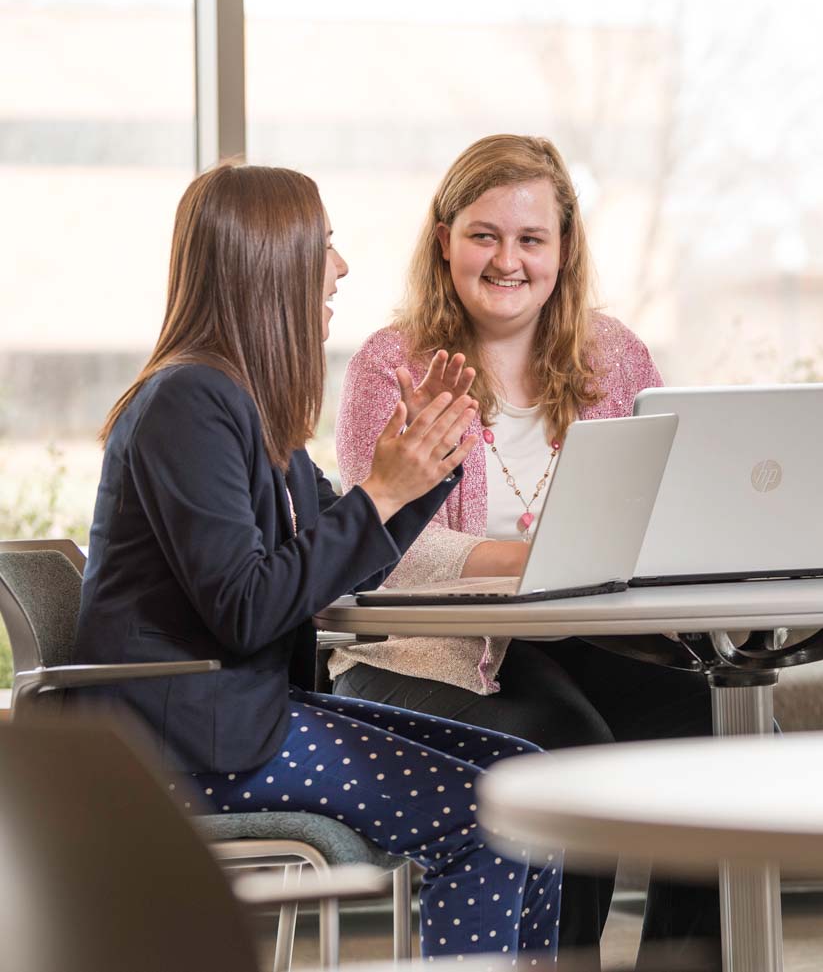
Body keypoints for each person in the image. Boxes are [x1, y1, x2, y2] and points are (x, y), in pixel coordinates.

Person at [71, 162, 561, 965]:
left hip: (243, 718)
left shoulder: (256, 411)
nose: (339, 267)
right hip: (182, 744)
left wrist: (420, 469)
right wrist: (381, 489)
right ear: (269, 262)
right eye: (324, 246)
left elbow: (347, 562)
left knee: (531, 781)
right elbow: (248, 606)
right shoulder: (186, 404)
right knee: (496, 810)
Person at [332, 135, 721, 968]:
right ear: (444, 239)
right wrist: (518, 559)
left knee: (718, 730)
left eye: (531, 238)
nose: (507, 259)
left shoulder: (614, 358)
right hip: (431, 651)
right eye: (484, 234)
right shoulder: (390, 364)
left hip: (587, 638)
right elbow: (379, 547)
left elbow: (653, 509)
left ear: (563, 249)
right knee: (571, 747)